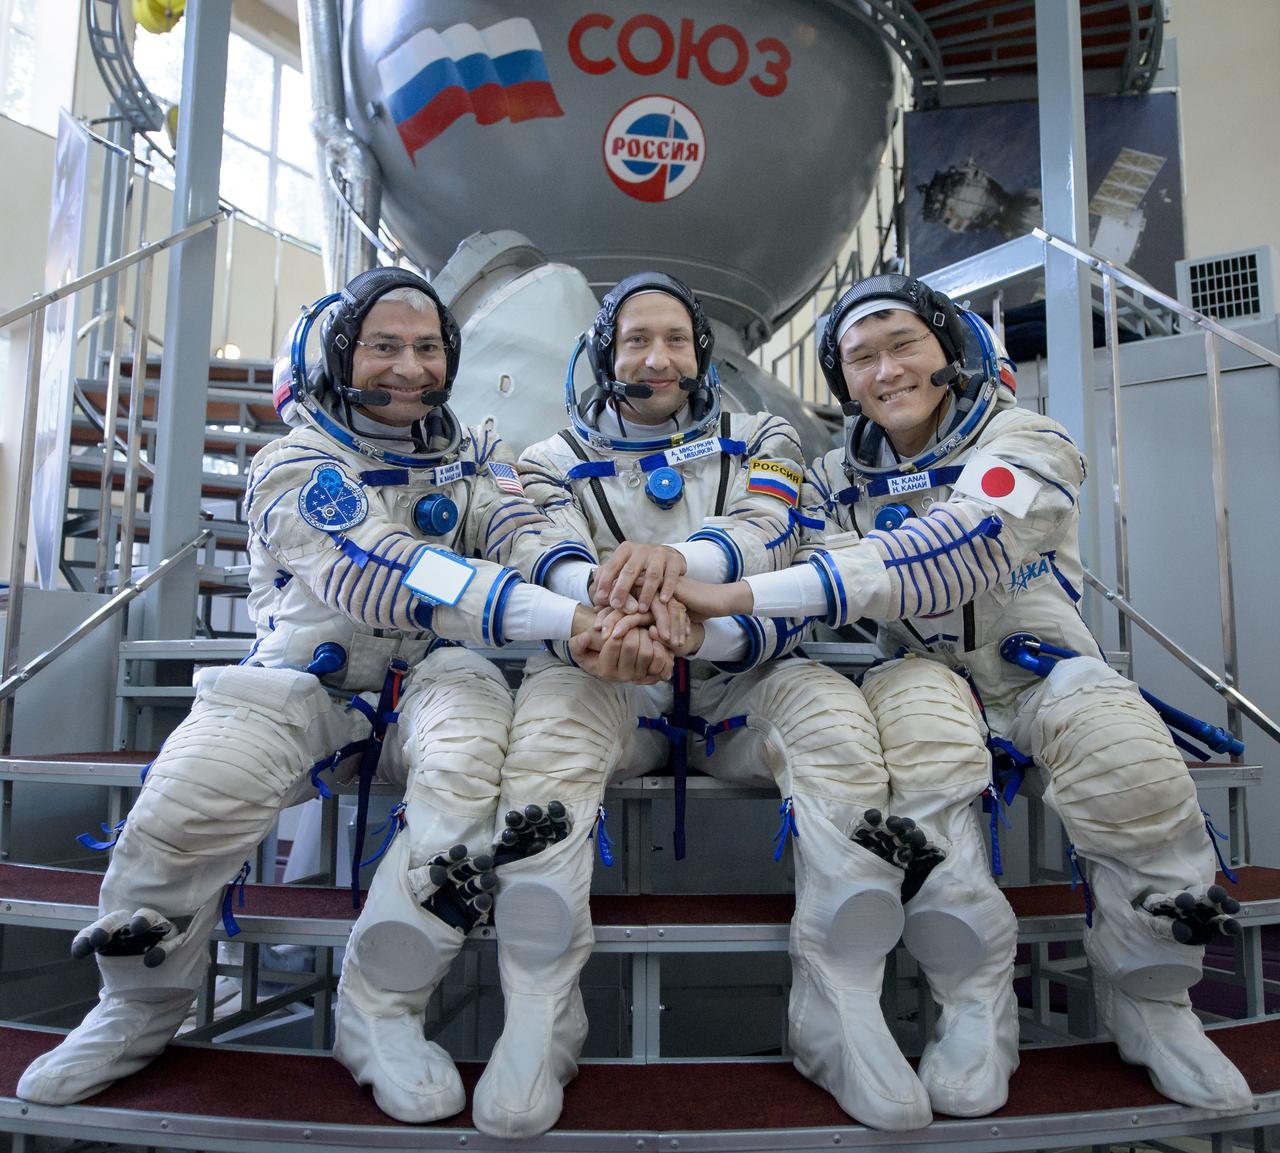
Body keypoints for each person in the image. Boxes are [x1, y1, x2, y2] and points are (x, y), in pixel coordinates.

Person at [17, 268, 608, 1120]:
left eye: (426, 347)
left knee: (462, 795)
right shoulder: (298, 463)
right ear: (340, 355)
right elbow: (379, 570)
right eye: (385, 347)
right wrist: (550, 614)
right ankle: (135, 1011)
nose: (409, 366)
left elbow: (523, 531)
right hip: (301, 679)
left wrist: (583, 587)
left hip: (437, 675)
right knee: (185, 804)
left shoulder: (475, 458)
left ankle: (381, 1012)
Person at [674, 272, 1254, 1113]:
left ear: (951, 350)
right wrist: (711, 620)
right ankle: (976, 1007)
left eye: (904, 344)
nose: (886, 371)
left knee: (1123, 754)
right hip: (929, 681)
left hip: (1044, 675)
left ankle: (1155, 1000)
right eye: (861, 358)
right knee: (928, 784)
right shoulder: (833, 477)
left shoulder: (1026, 440)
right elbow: (801, 573)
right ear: (844, 384)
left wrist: (738, 598)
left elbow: (962, 547)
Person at [469, 271, 953, 1139]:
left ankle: (836, 1007)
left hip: (742, 673)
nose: (657, 358)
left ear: (702, 353)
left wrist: (688, 577)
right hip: (610, 672)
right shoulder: (546, 460)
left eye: (676, 340)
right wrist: (609, 608)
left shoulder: (762, 435)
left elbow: (771, 527)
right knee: (544, 743)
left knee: (836, 726)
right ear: (601, 354)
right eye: (635, 341)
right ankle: (541, 1012)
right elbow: (532, 544)